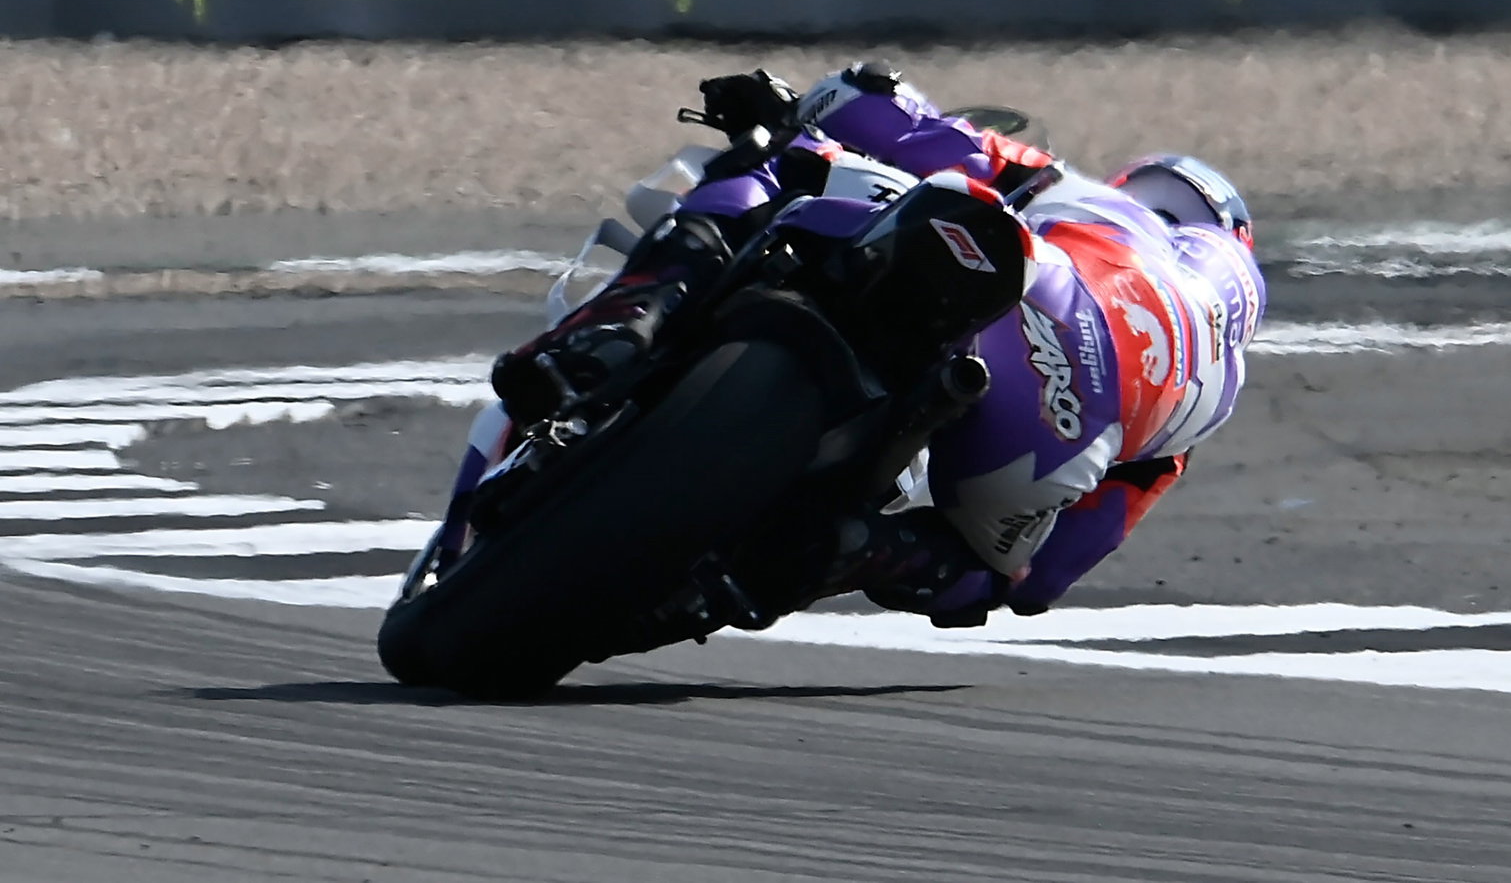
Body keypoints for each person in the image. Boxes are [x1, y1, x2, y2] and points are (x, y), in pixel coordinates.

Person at [440, 63, 1266, 629]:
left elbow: (885, 111)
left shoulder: (1080, 197)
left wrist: (789, 105)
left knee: (782, 167)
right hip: (1070, 437)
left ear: (1147, 193)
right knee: (981, 568)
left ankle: (627, 324)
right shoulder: (1201, 394)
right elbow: (1042, 581)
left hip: (1036, 293)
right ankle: (844, 552)